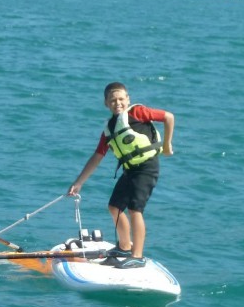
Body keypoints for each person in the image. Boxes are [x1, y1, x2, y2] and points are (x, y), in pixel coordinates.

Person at [68, 82, 175, 269]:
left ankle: (138, 256)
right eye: (112, 100)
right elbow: (98, 155)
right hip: (130, 169)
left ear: (128, 99)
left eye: (120, 99)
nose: (117, 103)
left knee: (135, 210)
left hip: (147, 168)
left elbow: (168, 117)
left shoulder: (138, 112)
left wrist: (167, 145)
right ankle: (124, 247)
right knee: (114, 207)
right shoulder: (109, 128)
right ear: (106, 104)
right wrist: (79, 183)